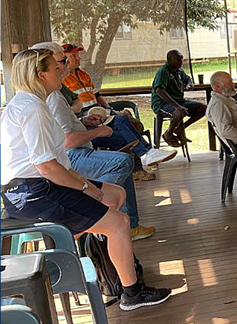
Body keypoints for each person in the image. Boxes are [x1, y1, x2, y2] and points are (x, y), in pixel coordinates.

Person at [0, 49, 171, 310]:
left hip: (36, 186)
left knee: (116, 194)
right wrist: (85, 186)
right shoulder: (32, 108)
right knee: (119, 222)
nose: (63, 71)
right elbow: (45, 166)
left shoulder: (32, 102)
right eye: (57, 68)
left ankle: (105, 259)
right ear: (41, 75)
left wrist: (82, 183)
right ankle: (131, 293)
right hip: (35, 192)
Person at [33, 41, 157, 241]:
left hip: (78, 147)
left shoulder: (57, 92)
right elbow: (67, 141)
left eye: (64, 61)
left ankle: (128, 222)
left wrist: (84, 120)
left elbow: (72, 115)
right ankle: (98, 210)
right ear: (42, 71)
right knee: (122, 159)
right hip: (72, 157)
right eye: (60, 62)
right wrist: (97, 132)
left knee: (122, 141)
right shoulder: (49, 99)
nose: (63, 66)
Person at [151, 49, 206, 147]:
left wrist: (190, 84)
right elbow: (159, 90)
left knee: (204, 108)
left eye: (181, 59)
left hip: (179, 101)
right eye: (178, 60)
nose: (181, 62)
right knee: (179, 111)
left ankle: (180, 129)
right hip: (162, 104)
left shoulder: (179, 70)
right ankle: (168, 133)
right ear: (169, 60)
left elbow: (187, 78)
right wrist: (177, 106)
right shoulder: (164, 71)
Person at [206, 71, 237, 156]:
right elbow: (225, 130)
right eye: (229, 83)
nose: (233, 85)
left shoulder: (226, 99)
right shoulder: (218, 104)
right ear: (218, 86)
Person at [61, 43, 112, 111]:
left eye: (78, 55)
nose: (78, 58)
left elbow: (97, 95)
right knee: (122, 119)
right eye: (73, 56)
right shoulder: (61, 79)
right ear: (65, 60)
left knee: (124, 115)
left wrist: (109, 108)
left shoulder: (84, 74)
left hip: (97, 109)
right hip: (82, 114)